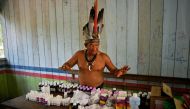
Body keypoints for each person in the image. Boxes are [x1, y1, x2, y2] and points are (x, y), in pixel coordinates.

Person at [59, 6, 130, 88]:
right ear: (86, 45)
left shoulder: (104, 57)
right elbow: (68, 64)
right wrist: (65, 66)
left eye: (97, 45)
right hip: (82, 88)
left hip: (98, 89)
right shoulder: (79, 55)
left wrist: (119, 72)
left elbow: (114, 70)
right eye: (91, 45)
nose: (94, 48)